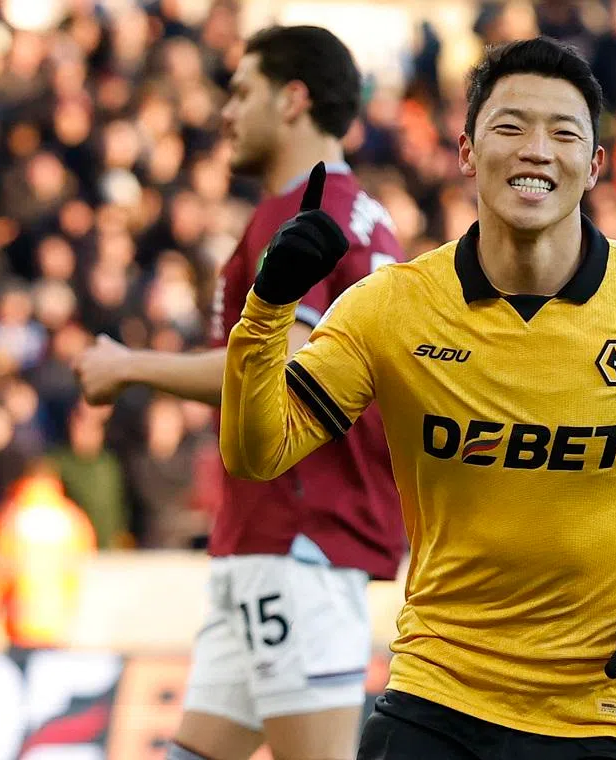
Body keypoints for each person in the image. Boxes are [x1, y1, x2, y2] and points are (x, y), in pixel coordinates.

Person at [221, 37, 616, 760]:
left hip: (603, 710)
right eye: (511, 127)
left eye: (562, 133)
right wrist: (268, 306)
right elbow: (256, 453)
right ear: (465, 151)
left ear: (594, 167)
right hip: (438, 693)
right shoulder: (391, 308)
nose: (535, 150)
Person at [74, 25, 406, 760]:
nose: (225, 112)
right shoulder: (361, 211)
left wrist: (130, 365)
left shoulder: (303, 215)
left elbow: (282, 370)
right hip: (276, 538)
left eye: (242, 92)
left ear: (292, 99)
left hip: (298, 539)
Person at [0, 463, 97, 649]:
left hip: (19, 618)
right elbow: (82, 563)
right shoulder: (72, 517)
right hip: (58, 619)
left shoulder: (9, 516)